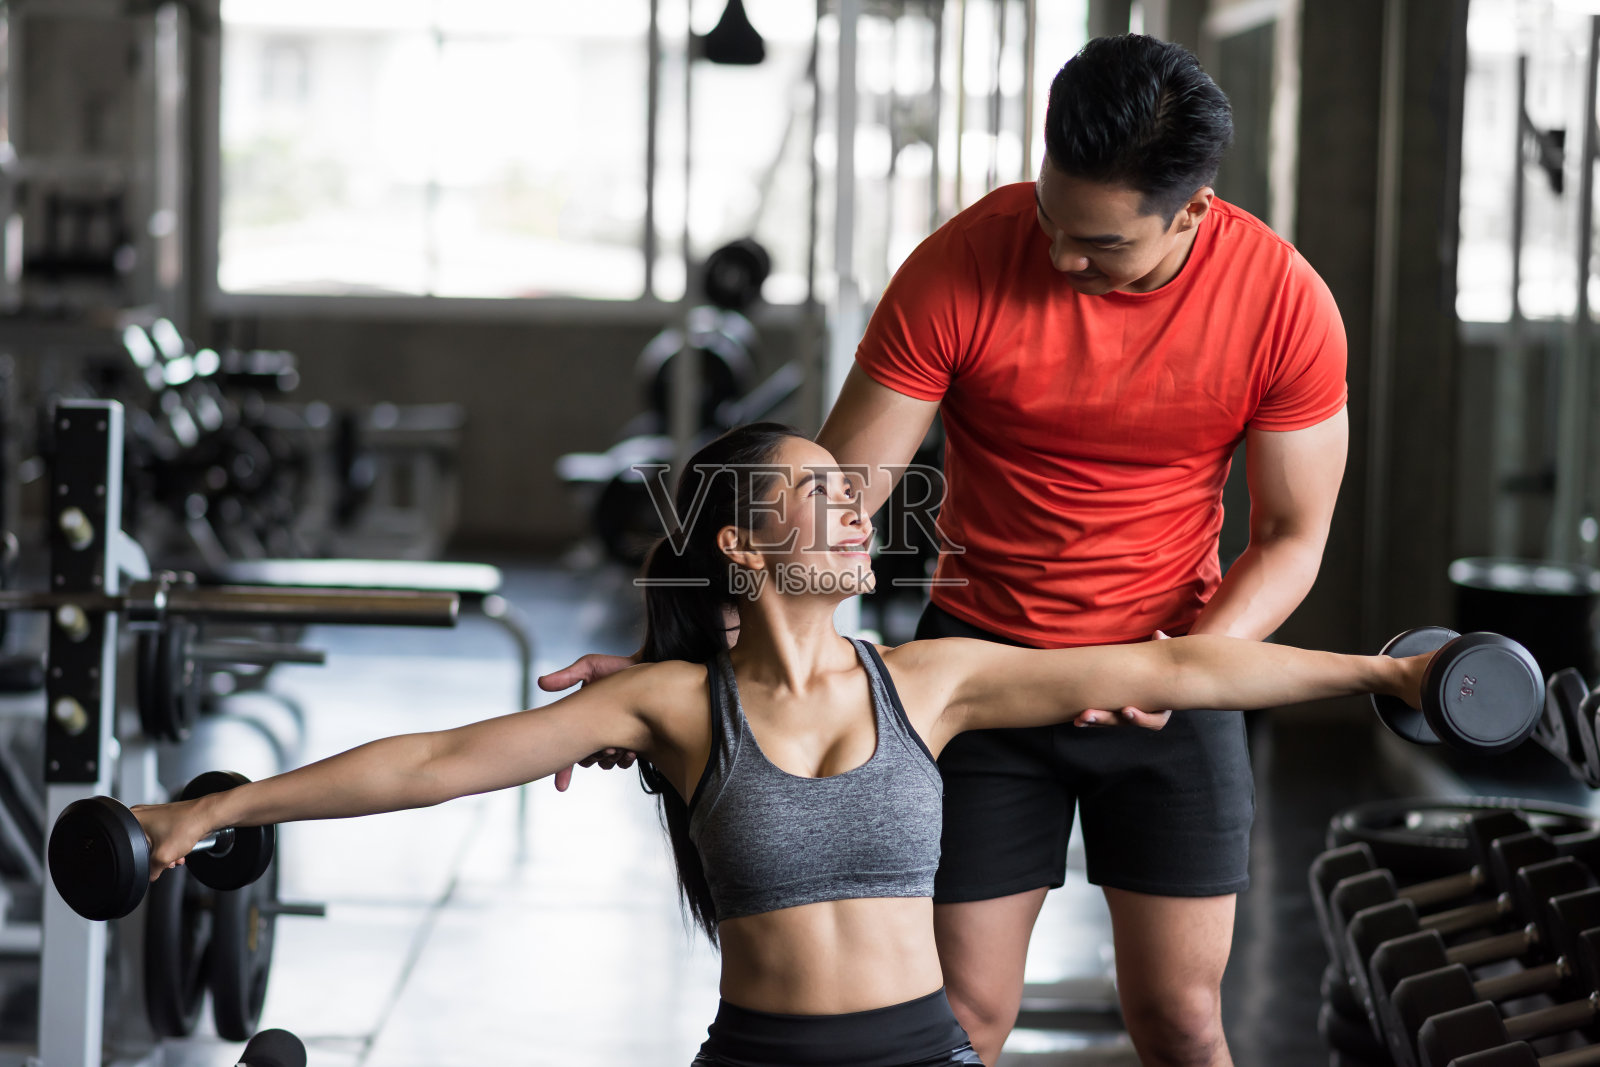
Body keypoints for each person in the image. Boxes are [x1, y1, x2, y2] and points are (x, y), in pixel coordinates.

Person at [548, 34, 1349, 1067]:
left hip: (1168, 673)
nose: (1061, 258)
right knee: (962, 1013)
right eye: (1053, 220)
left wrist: (1190, 665)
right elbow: (826, 506)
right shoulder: (962, 263)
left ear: (1190, 210)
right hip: (973, 677)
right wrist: (692, 670)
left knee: (1181, 1019)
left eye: (1101, 245)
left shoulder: (1282, 303)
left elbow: (1292, 536)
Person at [137, 426, 1418, 1067]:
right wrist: (227, 807)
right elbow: (441, 758)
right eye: (822, 497)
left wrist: (1390, 671)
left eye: (851, 493)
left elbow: (1181, 666)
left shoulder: (935, 678)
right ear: (745, 548)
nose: (856, 510)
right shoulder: (676, 706)